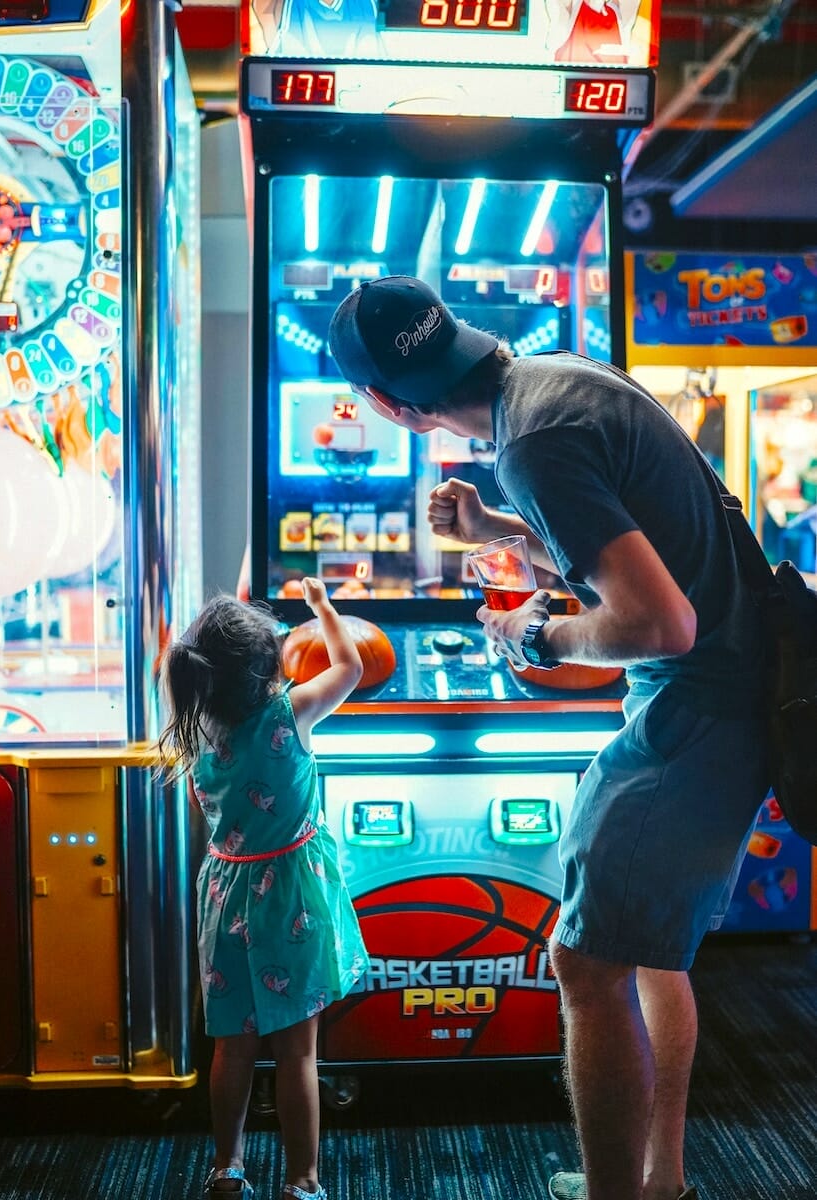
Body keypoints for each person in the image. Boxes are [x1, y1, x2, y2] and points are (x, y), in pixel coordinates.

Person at [327, 276, 771, 1200]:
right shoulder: (553, 378)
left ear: (385, 406)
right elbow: (631, 547)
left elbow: (657, 623)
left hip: (699, 701)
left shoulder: (530, 442)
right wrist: (500, 532)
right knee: (649, 948)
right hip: (732, 686)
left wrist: (536, 634)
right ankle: (660, 1181)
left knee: (586, 958)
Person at [158, 582, 368, 1200]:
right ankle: (302, 1181)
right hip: (289, 899)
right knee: (298, 1054)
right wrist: (325, 609)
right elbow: (352, 665)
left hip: (225, 892)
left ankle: (228, 1167)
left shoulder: (197, 727)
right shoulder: (291, 715)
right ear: (268, 668)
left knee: (232, 1047)